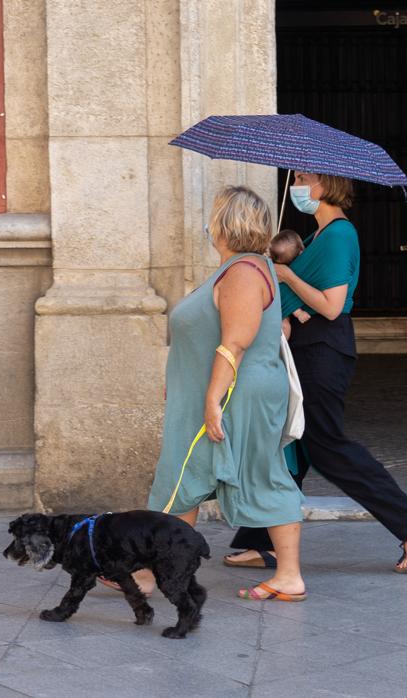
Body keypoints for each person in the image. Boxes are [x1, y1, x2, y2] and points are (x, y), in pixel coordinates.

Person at [223, 171, 407, 574]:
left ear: (325, 185)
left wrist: (286, 275)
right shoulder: (318, 236)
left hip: (325, 351)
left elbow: (332, 305)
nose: (295, 186)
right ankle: (262, 540)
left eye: (302, 178)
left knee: (325, 445)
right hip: (307, 349)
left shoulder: (339, 234)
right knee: (289, 446)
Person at [143, 185, 307, 603]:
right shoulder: (241, 269)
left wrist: (211, 400)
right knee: (194, 475)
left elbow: (235, 341)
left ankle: (151, 571)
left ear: (224, 224)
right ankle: (152, 569)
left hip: (233, 394)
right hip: (226, 392)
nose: (209, 222)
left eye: (214, 215)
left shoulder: (244, 273)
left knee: (190, 474)